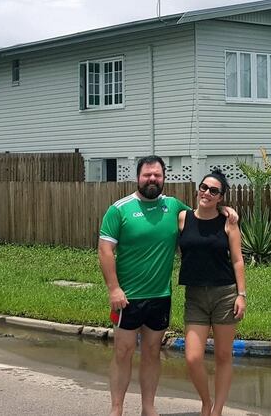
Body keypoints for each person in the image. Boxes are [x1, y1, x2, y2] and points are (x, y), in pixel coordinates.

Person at [98, 156, 237, 416]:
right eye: (147, 175)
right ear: (137, 176)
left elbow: (203, 213)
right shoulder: (119, 209)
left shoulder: (173, 207)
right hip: (127, 297)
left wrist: (225, 210)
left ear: (164, 178)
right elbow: (105, 250)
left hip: (161, 296)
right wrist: (114, 289)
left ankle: (148, 407)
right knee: (123, 351)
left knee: (152, 352)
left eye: (157, 175)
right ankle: (116, 409)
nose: (152, 179)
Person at [177, 169, 246, 416]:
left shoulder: (228, 222)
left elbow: (237, 260)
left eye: (213, 190)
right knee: (193, 358)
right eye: (204, 187)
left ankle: (216, 411)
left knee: (223, 356)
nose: (206, 193)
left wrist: (242, 294)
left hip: (224, 295)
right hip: (195, 296)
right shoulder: (183, 218)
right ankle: (206, 402)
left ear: (221, 197)